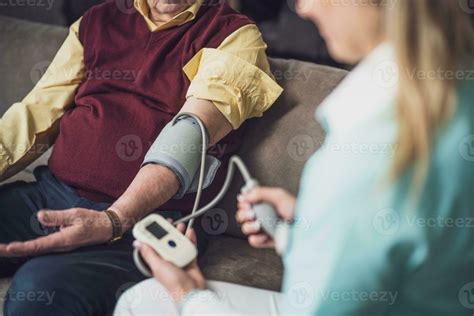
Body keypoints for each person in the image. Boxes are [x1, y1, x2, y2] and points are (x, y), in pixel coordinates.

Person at [115, 0, 474, 315]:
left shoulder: (365, 153)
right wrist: (304, 230)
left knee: (143, 300)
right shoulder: (455, 93)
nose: (305, 8)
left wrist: (189, 295)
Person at [0, 0, 282, 315]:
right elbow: (35, 114)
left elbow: (190, 135)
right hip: (51, 195)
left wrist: (114, 219)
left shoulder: (234, 34)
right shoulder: (96, 21)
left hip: (150, 223)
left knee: (39, 289)